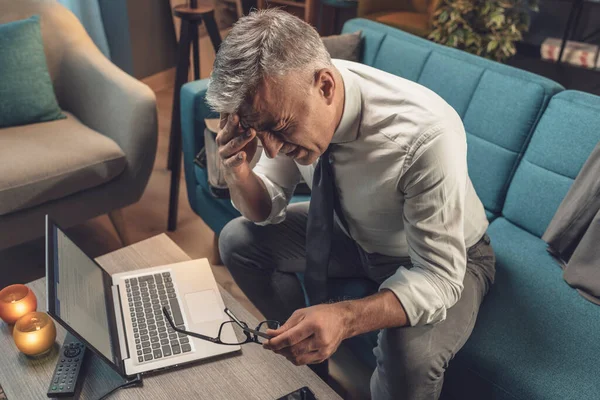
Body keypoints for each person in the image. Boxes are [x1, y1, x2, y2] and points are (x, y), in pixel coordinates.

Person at [206, 9, 495, 400]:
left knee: (408, 356)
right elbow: (266, 208)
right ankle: (309, 362)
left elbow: (439, 277)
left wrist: (344, 317)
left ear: (326, 86)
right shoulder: (288, 95)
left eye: (279, 128)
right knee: (237, 241)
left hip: (439, 256)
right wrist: (237, 169)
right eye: (261, 131)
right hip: (350, 230)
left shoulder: (425, 135)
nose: (271, 148)